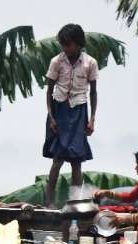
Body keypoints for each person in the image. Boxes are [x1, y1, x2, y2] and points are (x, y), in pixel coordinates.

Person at [43, 23, 99, 208]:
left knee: (76, 161)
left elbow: (93, 92)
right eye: (63, 45)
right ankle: (50, 203)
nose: (65, 49)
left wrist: (92, 119)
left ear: (78, 44)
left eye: (68, 44)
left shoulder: (90, 63)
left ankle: (74, 202)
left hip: (79, 112)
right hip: (59, 111)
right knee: (57, 159)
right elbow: (49, 91)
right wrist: (52, 117)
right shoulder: (56, 62)